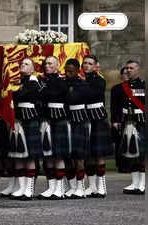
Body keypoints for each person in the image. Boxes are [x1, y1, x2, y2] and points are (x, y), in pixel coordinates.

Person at [8, 58, 43, 200]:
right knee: (18, 155)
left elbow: (22, 95)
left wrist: (13, 91)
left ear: (33, 69)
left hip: (30, 120)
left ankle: (29, 189)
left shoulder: (34, 82)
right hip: (18, 120)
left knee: (29, 156)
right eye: (22, 63)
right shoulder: (20, 82)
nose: (23, 65)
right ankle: (21, 188)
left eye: (27, 64)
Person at [38, 56, 70, 200]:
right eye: (46, 64)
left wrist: (42, 91)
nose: (47, 66)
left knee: (58, 154)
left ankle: (60, 188)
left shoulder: (61, 81)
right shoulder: (44, 81)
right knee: (48, 155)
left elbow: (56, 95)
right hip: (46, 120)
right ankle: (51, 187)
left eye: (50, 63)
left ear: (57, 66)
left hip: (59, 120)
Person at [82, 55, 112, 198]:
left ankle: (101, 187)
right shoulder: (81, 80)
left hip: (98, 118)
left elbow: (92, 94)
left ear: (95, 66)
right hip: (86, 117)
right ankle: (92, 186)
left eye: (90, 63)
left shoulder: (99, 80)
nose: (86, 66)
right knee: (89, 154)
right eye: (85, 63)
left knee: (99, 155)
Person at [64, 58, 91, 199]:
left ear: (77, 71)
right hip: (67, 120)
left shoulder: (82, 84)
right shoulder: (63, 83)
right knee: (67, 155)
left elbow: (75, 98)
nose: (67, 73)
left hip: (80, 120)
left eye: (70, 71)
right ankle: (72, 186)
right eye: (66, 71)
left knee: (79, 155)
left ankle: (81, 187)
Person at [118, 60, 146, 195]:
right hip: (128, 122)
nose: (128, 70)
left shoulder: (144, 85)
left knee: (143, 154)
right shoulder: (123, 87)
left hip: (142, 122)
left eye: (131, 68)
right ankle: (135, 182)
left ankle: (143, 182)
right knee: (131, 154)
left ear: (137, 70)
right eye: (127, 68)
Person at [111, 67, 130, 173]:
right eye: (125, 73)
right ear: (121, 75)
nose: (127, 75)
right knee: (121, 143)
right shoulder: (116, 89)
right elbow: (114, 106)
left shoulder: (139, 87)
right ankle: (122, 166)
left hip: (134, 118)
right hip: (121, 119)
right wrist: (114, 121)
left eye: (128, 73)